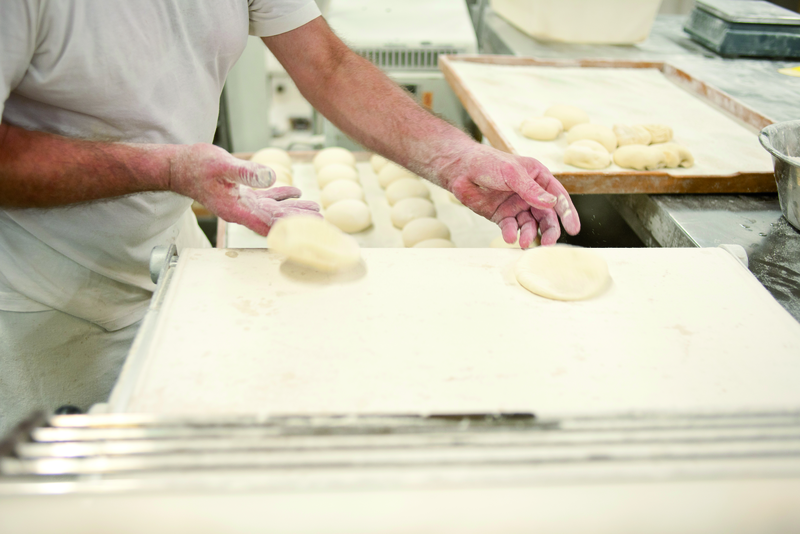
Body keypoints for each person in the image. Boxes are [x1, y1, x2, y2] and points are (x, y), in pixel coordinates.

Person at [0, 0, 580, 434]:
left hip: (171, 261)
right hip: (38, 293)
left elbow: (326, 65)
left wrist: (459, 158)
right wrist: (167, 169)